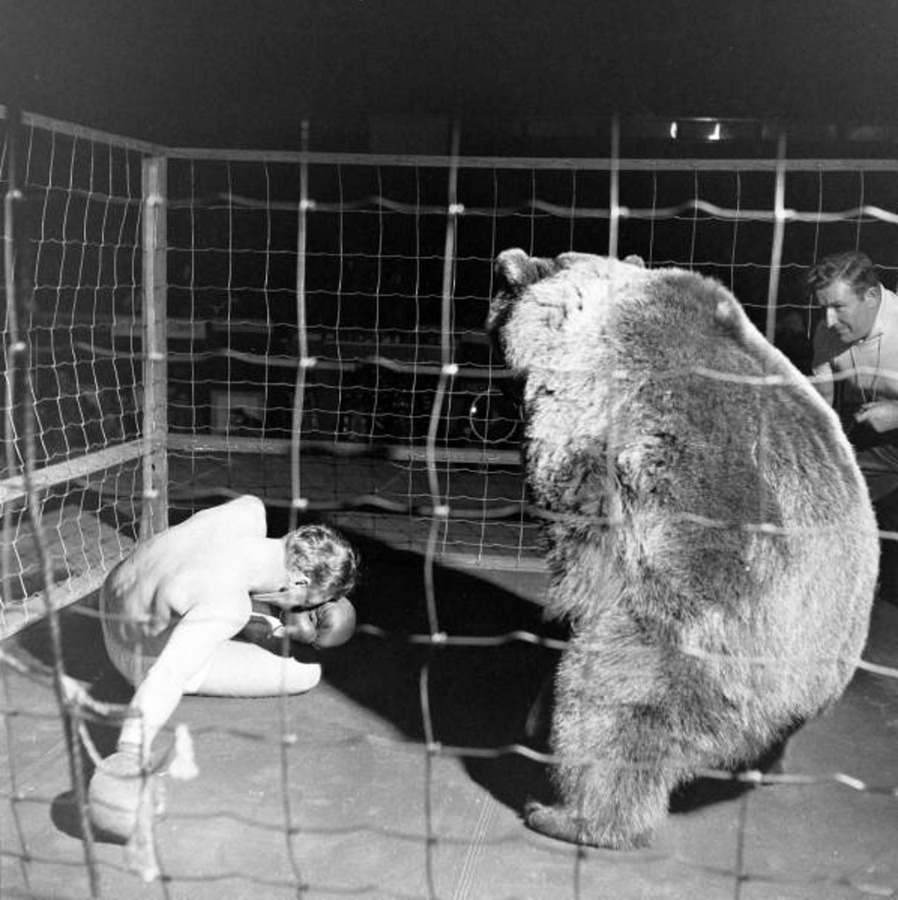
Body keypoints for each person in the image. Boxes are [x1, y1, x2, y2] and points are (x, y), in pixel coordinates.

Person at [88, 494, 358, 839]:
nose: (307, 610)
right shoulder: (227, 605)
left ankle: (260, 622)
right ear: (300, 583)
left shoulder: (248, 511)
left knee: (236, 609)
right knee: (303, 672)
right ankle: (268, 628)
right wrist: (129, 752)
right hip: (132, 651)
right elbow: (168, 675)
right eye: (311, 603)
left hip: (114, 593)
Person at [807, 250, 898, 599]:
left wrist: (895, 414)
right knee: (825, 495)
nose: (829, 320)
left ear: (871, 296)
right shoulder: (827, 333)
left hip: (890, 424)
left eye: (839, 307)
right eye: (823, 308)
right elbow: (821, 403)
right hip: (877, 443)